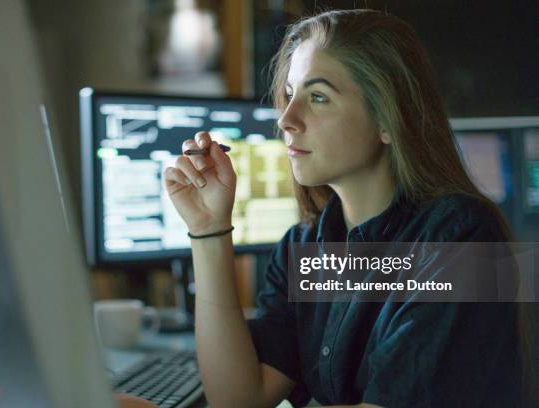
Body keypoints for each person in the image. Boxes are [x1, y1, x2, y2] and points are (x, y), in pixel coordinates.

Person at [162, 9, 534, 408]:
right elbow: (238, 400)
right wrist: (208, 228)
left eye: (318, 97)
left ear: (389, 120)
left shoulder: (459, 238)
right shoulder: (302, 248)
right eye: (289, 94)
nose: (286, 119)